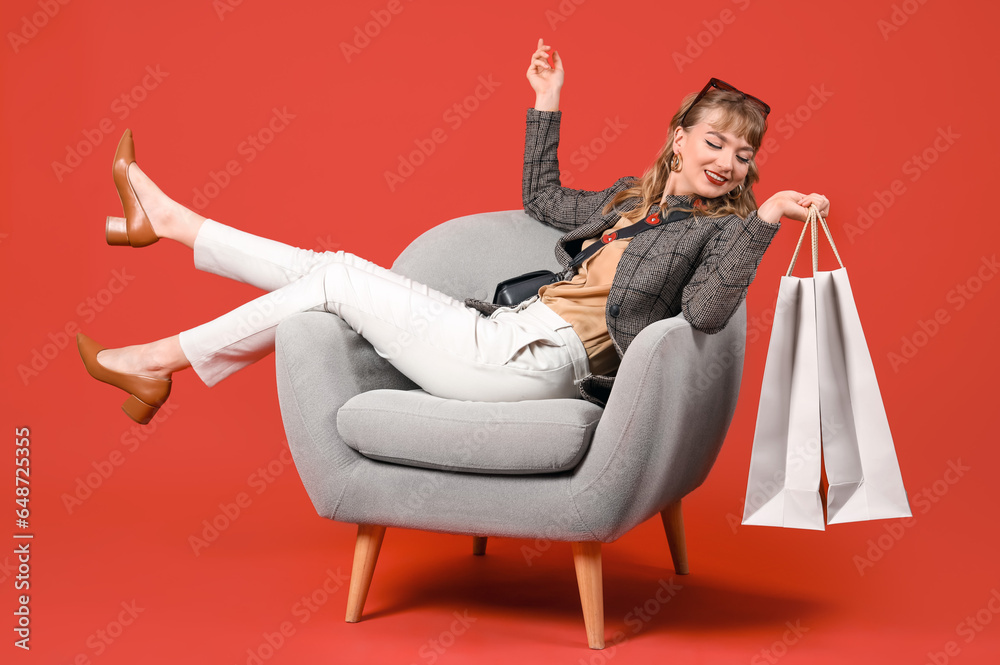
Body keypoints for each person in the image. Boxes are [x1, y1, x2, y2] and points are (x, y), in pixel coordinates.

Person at [78, 39, 830, 424]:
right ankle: (172, 225)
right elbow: (541, 197)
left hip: (533, 366)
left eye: (744, 152)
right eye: (716, 142)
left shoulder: (719, 232)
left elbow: (703, 313)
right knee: (328, 268)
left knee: (335, 278)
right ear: (679, 139)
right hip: (503, 336)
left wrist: (762, 222)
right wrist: (548, 98)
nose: (729, 161)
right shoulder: (632, 200)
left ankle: (156, 355)